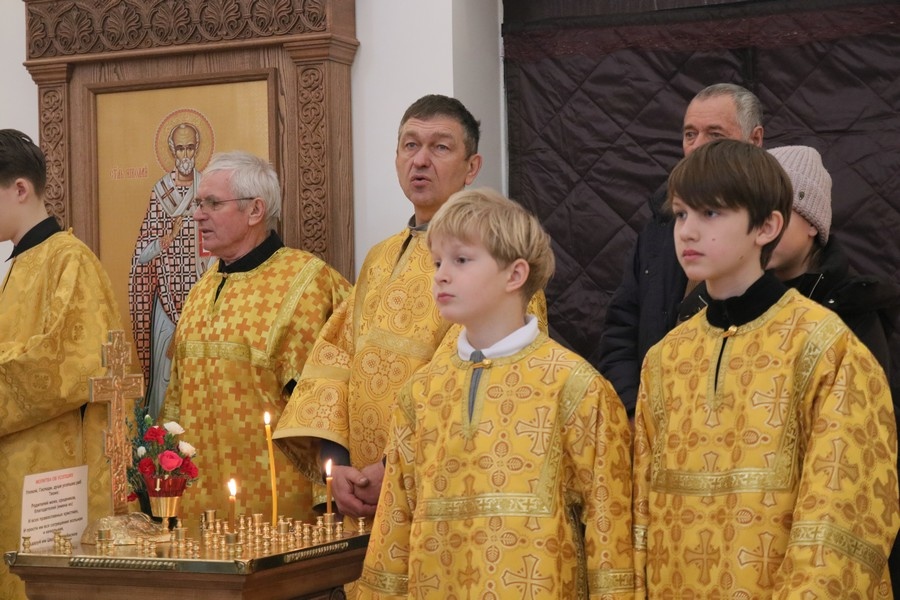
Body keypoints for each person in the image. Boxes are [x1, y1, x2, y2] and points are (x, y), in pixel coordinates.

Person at [633, 139, 898, 597]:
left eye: (710, 213)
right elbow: (641, 511)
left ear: (767, 226)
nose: (688, 232)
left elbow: (842, 517)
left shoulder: (828, 349)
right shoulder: (665, 358)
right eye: (681, 214)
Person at [274, 95, 547, 521]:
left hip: (443, 490)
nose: (420, 160)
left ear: (471, 167)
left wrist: (394, 465)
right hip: (360, 493)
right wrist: (336, 465)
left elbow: (478, 382)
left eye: (440, 147)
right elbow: (335, 359)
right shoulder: (379, 259)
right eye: (410, 145)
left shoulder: (497, 262)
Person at [357, 188, 633, 599]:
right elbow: (394, 527)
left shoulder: (575, 387)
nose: (441, 275)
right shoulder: (420, 393)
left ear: (515, 275)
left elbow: (609, 532)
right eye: (437, 262)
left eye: (461, 260)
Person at [160, 150, 350, 520]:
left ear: (255, 211)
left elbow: (327, 404)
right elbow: (177, 400)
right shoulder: (202, 288)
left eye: (213, 203)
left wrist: (328, 491)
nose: (198, 214)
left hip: (276, 506)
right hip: (199, 505)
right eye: (198, 203)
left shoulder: (308, 284)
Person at [0, 129, 123, 600]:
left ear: (20, 188)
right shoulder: (21, 263)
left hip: (50, 473)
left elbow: (71, 364)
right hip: (18, 461)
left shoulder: (69, 260)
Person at [598, 83, 764, 415]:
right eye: (690, 135)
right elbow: (621, 329)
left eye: (714, 134)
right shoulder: (660, 227)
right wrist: (632, 411)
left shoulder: (775, 230)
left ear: (755, 140)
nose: (697, 146)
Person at [130, 122, 211, 419]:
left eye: (190, 148)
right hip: (166, 301)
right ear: (171, 151)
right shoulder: (161, 192)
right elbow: (142, 255)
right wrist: (167, 238)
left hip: (203, 300)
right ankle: (160, 439)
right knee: (165, 374)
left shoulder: (208, 190)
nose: (185, 155)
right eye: (180, 148)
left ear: (197, 148)